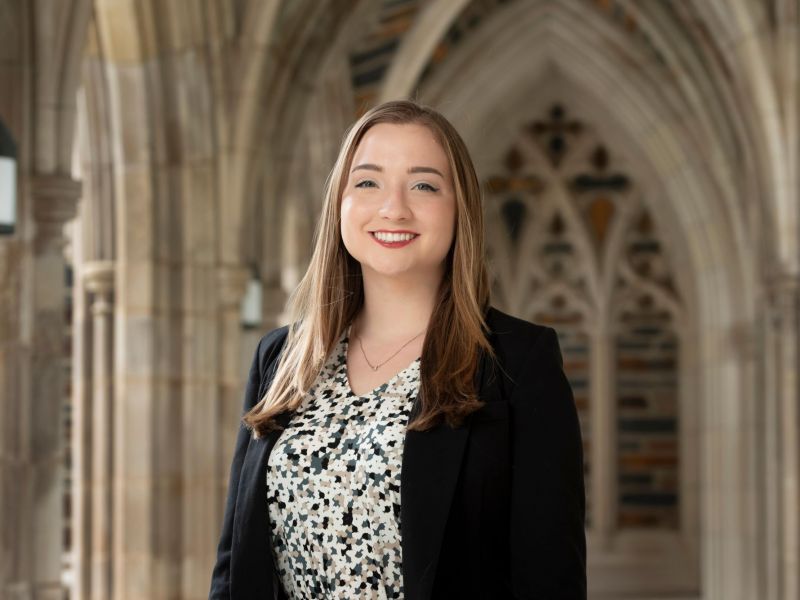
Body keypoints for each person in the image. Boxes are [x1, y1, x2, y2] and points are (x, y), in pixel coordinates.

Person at [209, 100, 586, 600]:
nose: (394, 208)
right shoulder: (280, 358)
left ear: (460, 210)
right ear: (339, 203)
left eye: (424, 185)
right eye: (367, 182)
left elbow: (549, 579)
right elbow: (234, 571)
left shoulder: (517, 363)